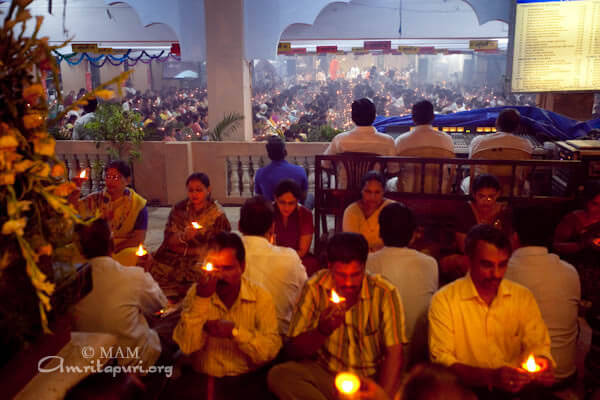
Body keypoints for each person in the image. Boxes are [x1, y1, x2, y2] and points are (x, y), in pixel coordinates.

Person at [268, 232, 407, 400]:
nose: (348, 283)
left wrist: (381, 396)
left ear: (364, 267)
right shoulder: (314, 287)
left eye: (355, 275)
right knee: (280, 375)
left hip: (369, 380)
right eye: (341, 275)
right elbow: (292, 350)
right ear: (329, 266)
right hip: (328, 376)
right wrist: (321, 331)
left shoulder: (384, 292)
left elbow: (395, 353)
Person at [429, 224, 555, 397]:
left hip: (516, 391)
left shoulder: (522, 296)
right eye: (487, 265)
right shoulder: (444, 300)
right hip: (465, 392)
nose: (496, 274)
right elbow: (442, 362)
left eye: (502, 265)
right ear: (468, 261)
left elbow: (538, 344)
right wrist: (490, 377)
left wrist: (542, 363)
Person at [171, 232, 281, 399]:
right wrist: (202, 300)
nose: (219, 276)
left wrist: (235, 333)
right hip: (203, 379)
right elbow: (187, 346)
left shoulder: (260, 297)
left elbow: (269, 352)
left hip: (246, 380)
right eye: (214, 267)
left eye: (227, 268)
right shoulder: (197, 293)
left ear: (242, 267)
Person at [71, 219, 167, 369]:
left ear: (81, 249)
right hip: (132, 363)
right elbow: (160, 306)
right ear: (112, 243)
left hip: (89, 362)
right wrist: (146, 273)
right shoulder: (134, 277)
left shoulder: (71, 284)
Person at [505, 208, 580, 385]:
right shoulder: (569, 272)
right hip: (564, 371)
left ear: (514, 238)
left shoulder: (503, 271)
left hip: (521, 377)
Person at [367, 203, 438, 368]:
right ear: (413, 235)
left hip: (377, 356)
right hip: (418, 354)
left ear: (380, 232)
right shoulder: (430, 263)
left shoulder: (367, 262)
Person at [150, 172, 231, 300]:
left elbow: (221, 244)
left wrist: (196, 251)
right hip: (176, 254)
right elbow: (169, 241)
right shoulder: (179, 209)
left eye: (199, 190)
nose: (194, 194)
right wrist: (183, 237)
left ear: (208, 190)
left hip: (202, 257)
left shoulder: (217, 214)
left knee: (207, 274)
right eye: (191, 190)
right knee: (153, 267)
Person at [239, 196, 308, 335]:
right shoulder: (289, 257)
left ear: (239, 225)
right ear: (272, 226)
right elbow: (305, 298)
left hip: (235, 337)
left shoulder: (225, 256)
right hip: (279, 339)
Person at [72, 160, 148, 266]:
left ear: (127, 180)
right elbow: (71, 210)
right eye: (108, 176)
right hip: (95, 249)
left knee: (134, 255)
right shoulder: (95, 199)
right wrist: (75, 192)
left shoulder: (138, 204)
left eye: (116, 177)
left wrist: (111, 250)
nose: (110, 181)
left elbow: (138, 238)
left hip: (120, 249)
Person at [323, 98, 395, 188]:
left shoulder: (340, 140)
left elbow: (325, 164)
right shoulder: (387, 141)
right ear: (374, 117)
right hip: (375, 196)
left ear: (353, 118)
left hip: (344, 196)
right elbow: (394, 171)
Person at [553, 181, 600, 305]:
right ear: (586, 202)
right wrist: (582, 245)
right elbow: (556, 245)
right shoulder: (573, 219)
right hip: (579, 270)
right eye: (595, 204)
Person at [273, 179, 320, 276]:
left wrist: (285, 260)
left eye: (291, 203)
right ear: (275, 199)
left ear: (297, 201)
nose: (286, 208)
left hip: (297, 258)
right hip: (274, 257)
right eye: (282, 202)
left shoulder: (305, 214)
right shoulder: (269, 212)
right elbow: (267, 245)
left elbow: (303, 250)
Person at [343, 171, 394, 252]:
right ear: (361, 191)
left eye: (377, 192)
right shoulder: (351, 211)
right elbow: (351, 245)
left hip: (386, 258)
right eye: (368, 191)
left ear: (383, 192)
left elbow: (397, 243)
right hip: (359, 259)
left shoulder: (392, 209)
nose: (372, 197)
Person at [254, 135, 308, 203]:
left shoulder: (260, 173)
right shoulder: (300, 171)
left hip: (270, 212)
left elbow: (259, 198)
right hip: (294, 211)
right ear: (285, 152)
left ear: (269, 155)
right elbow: (303, 197)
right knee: (310, 197)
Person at [468, 108, 533, 158]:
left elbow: (471, 160)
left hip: (483, 176)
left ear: (497, 123)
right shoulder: (527, 145)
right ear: (518, 127)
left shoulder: (478, 141)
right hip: (513, 176)